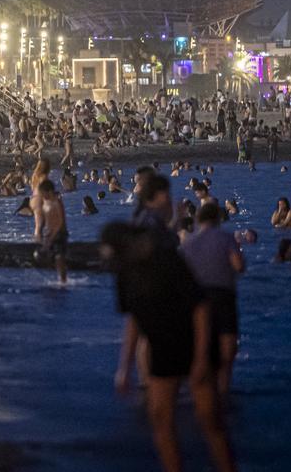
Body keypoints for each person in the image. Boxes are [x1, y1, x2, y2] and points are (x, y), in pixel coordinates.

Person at [103, 222, 235, 472]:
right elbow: (133, 320)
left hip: (193, 340)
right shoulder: (123, 273)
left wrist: (201, 357)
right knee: (160, 418)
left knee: (209, 420)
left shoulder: (167, 261)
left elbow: (201, 308)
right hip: (162, 345)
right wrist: (124, 367)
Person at [180, 200, 245, 399]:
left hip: (196, 298)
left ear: (198, 220)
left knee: (199, 347)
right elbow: (239, 267)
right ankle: (223, 389)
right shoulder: (226, 238)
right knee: (227, 348)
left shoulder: (188, 243)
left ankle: (199, 391)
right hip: (223, 296)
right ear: (217, 219)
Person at [37, 179, 69, 285]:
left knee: (59, 256)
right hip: (49, 233)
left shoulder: (57, 202)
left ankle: (63, 281)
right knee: (47, 256)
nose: (42, 196)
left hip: (59, 233)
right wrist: (40, 232)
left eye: (43, 193)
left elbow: (61, 221)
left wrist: (53, 236)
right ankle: (58, 277)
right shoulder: (45, 203)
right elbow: (44, 220)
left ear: (50, 191)